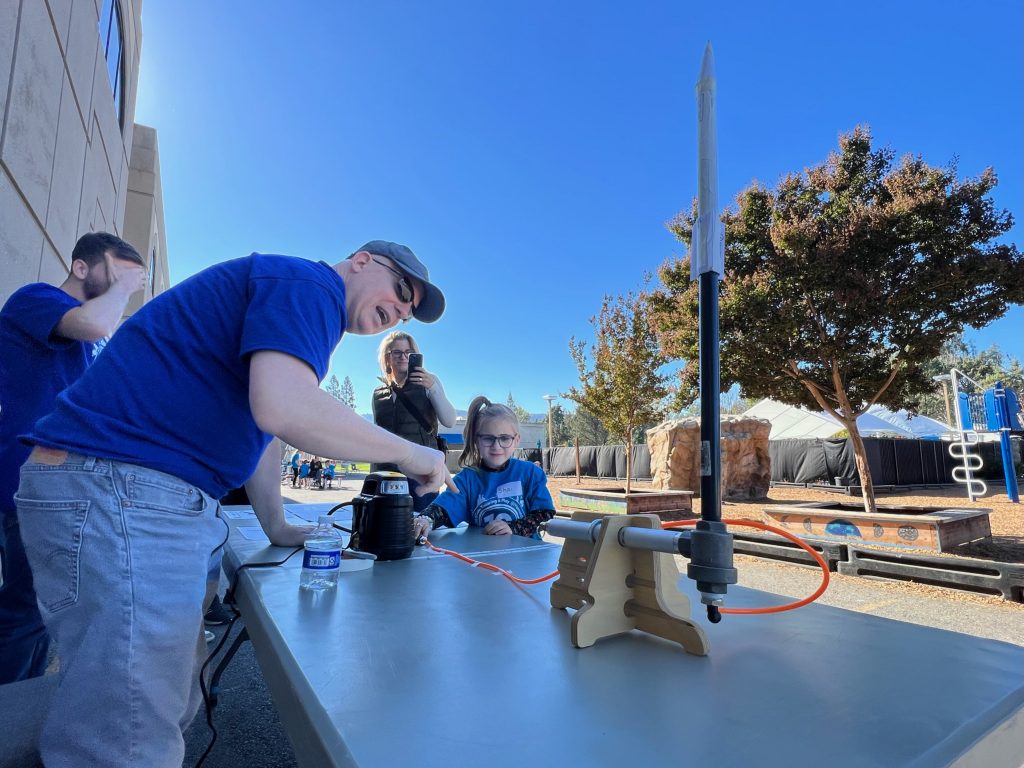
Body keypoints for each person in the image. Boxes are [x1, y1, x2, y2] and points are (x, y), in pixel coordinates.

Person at [15, 240, 454, 767]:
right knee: (128, 732)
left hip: (144, 493)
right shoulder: (310, 286)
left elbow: (265, 434)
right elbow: (284, 407)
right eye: (402, 290)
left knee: (167, 698)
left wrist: (277, 525)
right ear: (361, 260)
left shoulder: (306, 312)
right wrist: (413, 454)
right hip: (123, 485)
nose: (402, 310)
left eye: (410, 311)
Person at [0, 232, 145, 685]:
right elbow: (94, 325)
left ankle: (21, 703)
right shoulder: (36, 299)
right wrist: (121, 289)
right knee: (28, 608)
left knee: (43, 607)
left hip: (66, 484)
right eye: (118, 269)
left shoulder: (92, 330)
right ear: (81, 267)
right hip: (27, 476)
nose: (128, 283)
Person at [413, 396, 554, 541]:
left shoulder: (530, 473)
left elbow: (543, 513)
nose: (496, 446)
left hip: (527, 556)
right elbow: (442, 510)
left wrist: (513, 527)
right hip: (483, 557)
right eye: (488, 438)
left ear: (516, 440)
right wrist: (426, 520)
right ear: (476, 440)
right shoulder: (466, 480)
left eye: (504, 438)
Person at [371, 331, 457, 511]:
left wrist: (433, 388)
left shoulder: (429, 382)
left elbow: (449, 420)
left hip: (421, 472)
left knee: (420, 528)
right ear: (387, 357)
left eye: (409, 352)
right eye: (397, 352)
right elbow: (376, 435)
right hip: (385, 472)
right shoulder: (378, 394)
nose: (404, 357)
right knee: (384, 528)